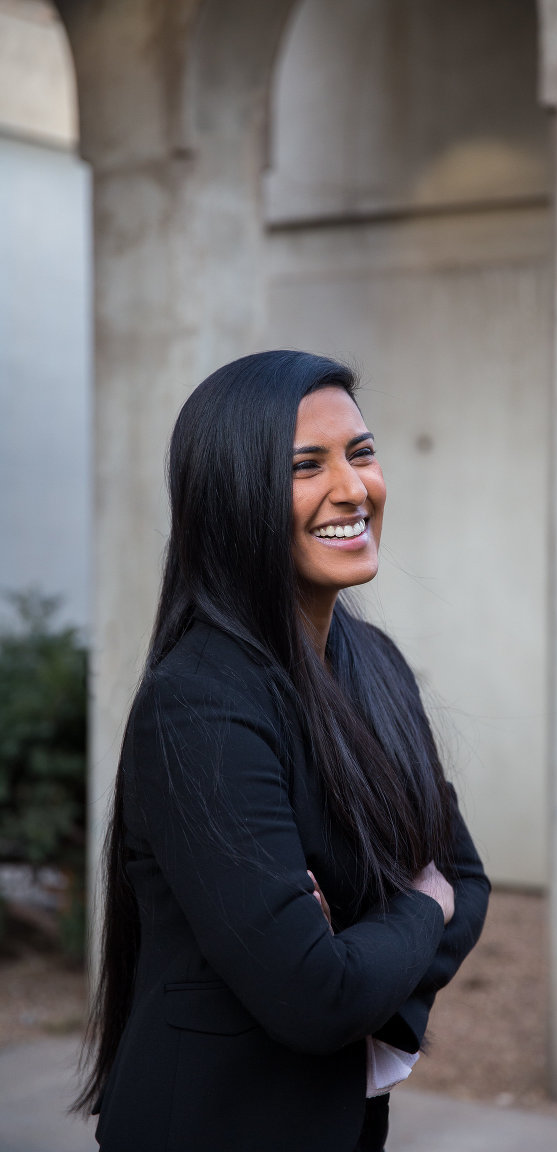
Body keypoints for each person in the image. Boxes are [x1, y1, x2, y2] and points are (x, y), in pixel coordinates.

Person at [76, 351, 490, 1152]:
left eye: (361, 454)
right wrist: (415, 907)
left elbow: (467, 881)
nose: (353, 488)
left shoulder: (377, 666)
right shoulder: (199, 705)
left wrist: (358, 949)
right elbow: (317, 994)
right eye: (308, 466)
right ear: (233, 497)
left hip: (342, 1123)